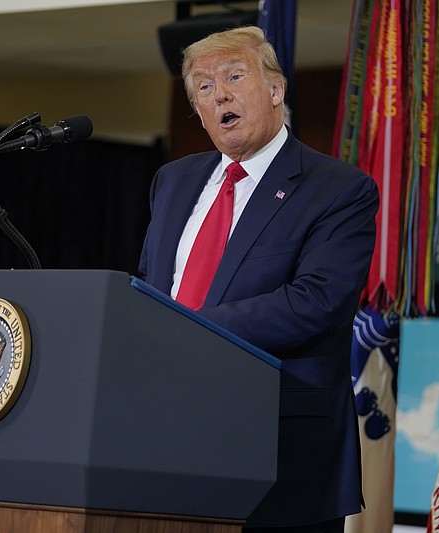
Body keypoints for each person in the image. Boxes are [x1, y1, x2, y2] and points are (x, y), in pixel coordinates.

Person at [138, 26, 379, 532]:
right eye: (203, 87)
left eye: (234, 76)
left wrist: (189, 328)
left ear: (275, 91)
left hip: (276, 450)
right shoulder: (174, 181)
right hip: (165, 437)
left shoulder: (337, 189)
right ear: (198, 112)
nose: (219, 93)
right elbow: (151, 286)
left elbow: (318, 300)